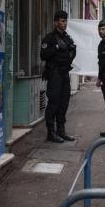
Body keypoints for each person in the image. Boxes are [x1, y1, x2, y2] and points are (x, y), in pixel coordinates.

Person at [40, 11, 77, 143]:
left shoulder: (67, 37)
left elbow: (73, 52)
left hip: (64, 73)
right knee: (54, 102)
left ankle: (61, 130)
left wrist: (69, 56)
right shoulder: (49, 38)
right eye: (62, 21)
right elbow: (43, 55)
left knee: (64, 103)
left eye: (66, 21)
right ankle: (51, 132)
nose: (65, 23)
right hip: (54, 73)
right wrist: (55, 48)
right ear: (56, 23)